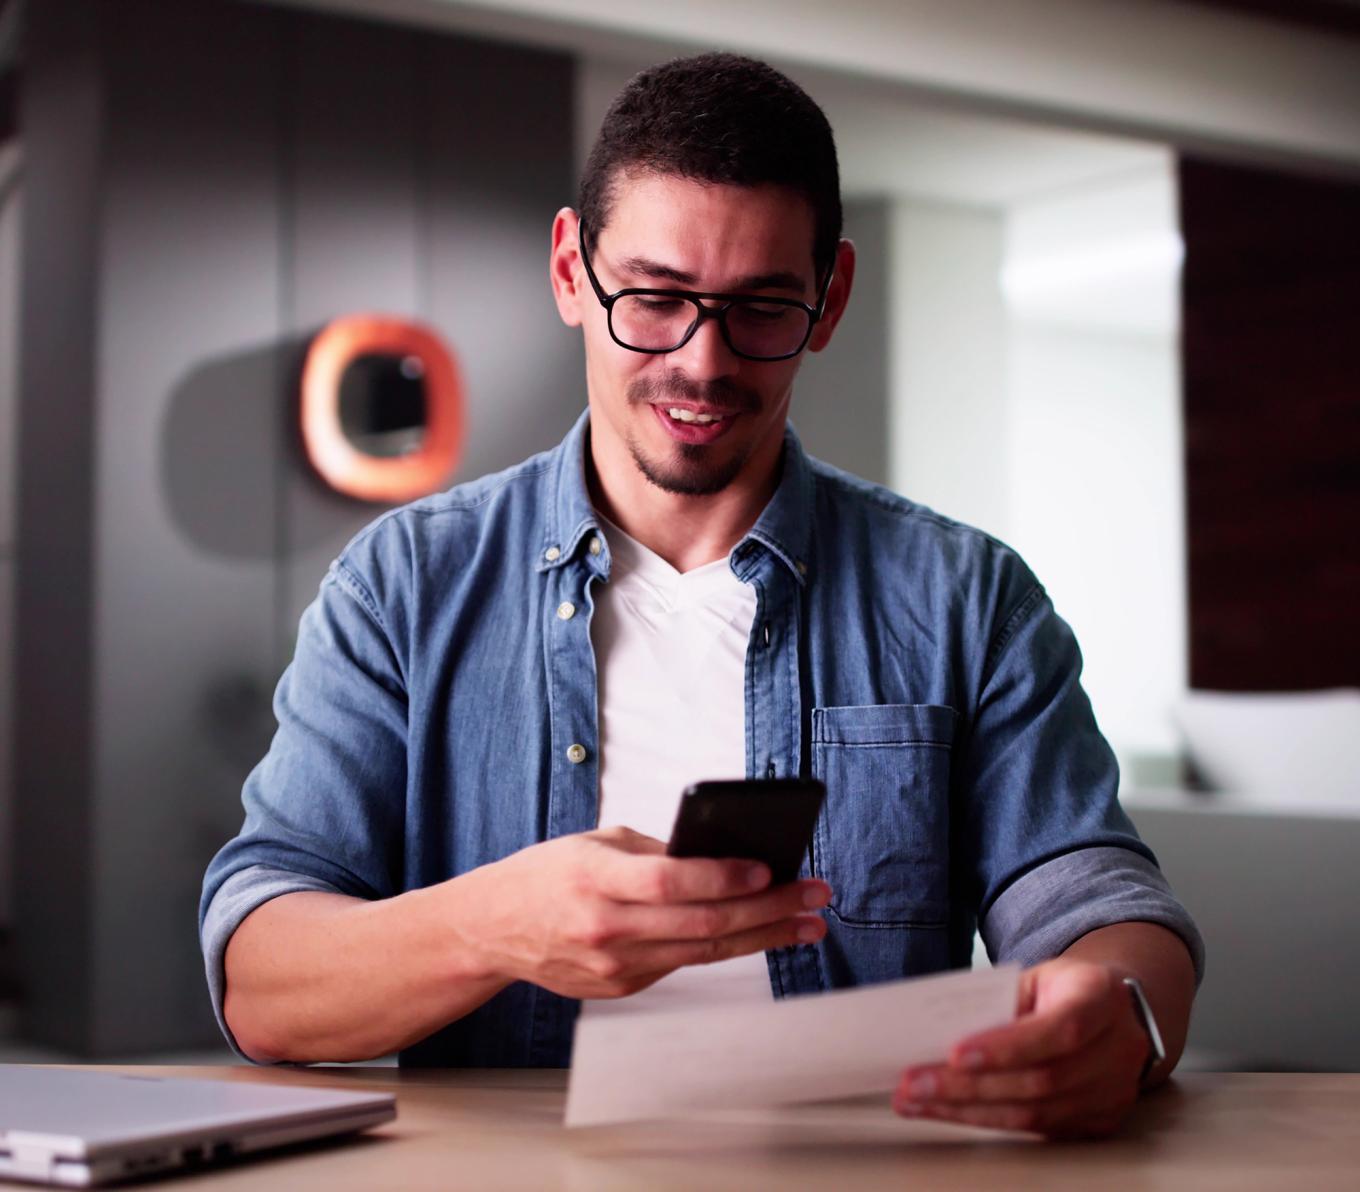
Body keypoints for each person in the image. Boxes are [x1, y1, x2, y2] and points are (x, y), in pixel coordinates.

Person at [201, 52, 1202, 1139]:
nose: (704, 360)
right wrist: (495, 925)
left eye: (762, 307)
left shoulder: (966, 596)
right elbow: (262, 976)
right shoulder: (402, 585)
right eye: (657, 297)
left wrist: (1123, 1012)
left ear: (831, 298)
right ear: (570, 272)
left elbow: (1093, 894)